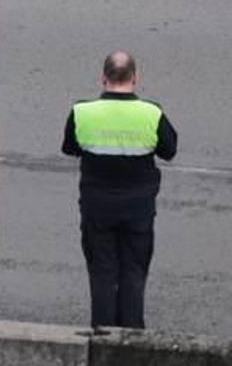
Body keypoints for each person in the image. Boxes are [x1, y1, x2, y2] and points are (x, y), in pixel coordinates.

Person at [61, 51, 178, 329]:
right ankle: (131, 337)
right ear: (135, 78)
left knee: (102, 273)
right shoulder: (152, 113)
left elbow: (70, 147)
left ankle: (102, 335)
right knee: (133, 273)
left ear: (103, 78)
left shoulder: (82, 112)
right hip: (138, 210)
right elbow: (169, 151)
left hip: (96, 208)